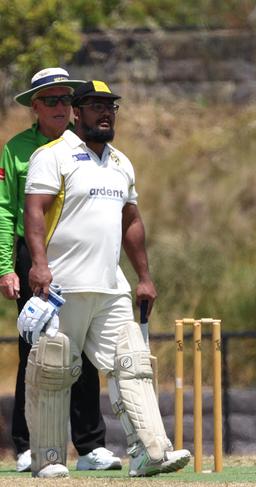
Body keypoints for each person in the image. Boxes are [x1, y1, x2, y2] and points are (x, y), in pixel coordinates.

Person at [19, 79, 191, 478]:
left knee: (131, 364)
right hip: (63, 287)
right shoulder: (53, 156)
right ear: (77, 113)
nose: (105, 113)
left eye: (110, 106)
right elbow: (35, 212)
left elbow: (131, 221)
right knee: (53, 368)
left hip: (111, 287)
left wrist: (144, 276)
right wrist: (39, 265)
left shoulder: (121, 163)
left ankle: (149, 452)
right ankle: (47, 459)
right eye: (96, 106)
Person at [0, 67, 122, 473]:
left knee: (82, 349)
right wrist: (7, 267)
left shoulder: (86, 145)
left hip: (78, 258)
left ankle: (90, 445)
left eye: (65, 100)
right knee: (37, 351)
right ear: (34, 107)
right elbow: (5, 210)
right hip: (33, 258)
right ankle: (30, 445)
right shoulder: (17, 149)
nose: (59, 106)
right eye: (49, 100)